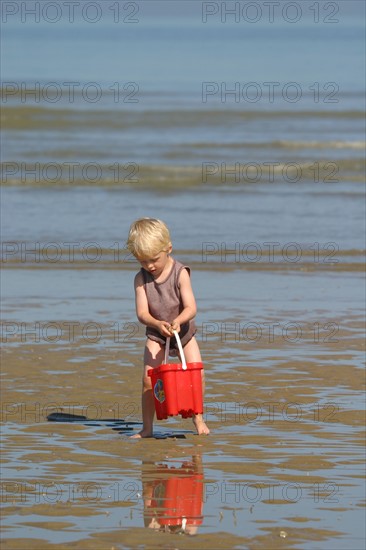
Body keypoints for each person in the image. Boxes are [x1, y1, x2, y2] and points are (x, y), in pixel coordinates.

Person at [126, 217, 210, 438]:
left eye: (154, 259)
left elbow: (191, 307)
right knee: (148, 379)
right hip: (157, 333)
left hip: (183, 332)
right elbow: (142, 313)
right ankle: (147, 428)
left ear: (168, 248)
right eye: (143, 261)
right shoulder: (140, 279)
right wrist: (157, 324)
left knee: (197, 373)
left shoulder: (180, 272)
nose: (149, 266)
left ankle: (198, 418)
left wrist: (178, 321)